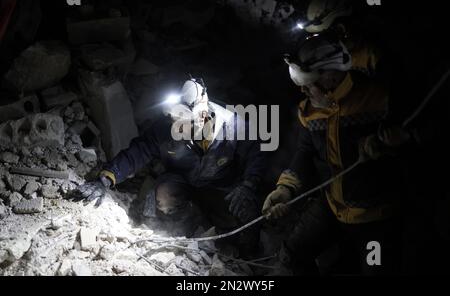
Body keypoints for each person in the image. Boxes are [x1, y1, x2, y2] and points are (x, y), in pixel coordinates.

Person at [73, 78, 267, 256]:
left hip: (221, 186)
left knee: (245, 206)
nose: (177, 127)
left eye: (182, 122)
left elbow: (256, 153)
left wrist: (249, 184)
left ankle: (247, 255)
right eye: (174, 120)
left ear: (201, 116)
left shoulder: (233, 126)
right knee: (164, 195)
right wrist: (105, 178)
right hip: (184, 180)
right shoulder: (167, 128)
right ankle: (184, 228)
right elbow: (140, 150)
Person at [262, 35, 404, 275]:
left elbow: (425, 135)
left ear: (332, 75)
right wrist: (285, 189)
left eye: (309, 82)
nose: (303, 89)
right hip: (331, 205)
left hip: (375, 216)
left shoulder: (380, 100)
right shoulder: (309, 112)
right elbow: (305, 153)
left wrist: (392, 143)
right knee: (291, 256)